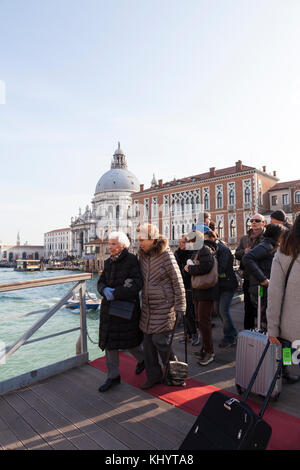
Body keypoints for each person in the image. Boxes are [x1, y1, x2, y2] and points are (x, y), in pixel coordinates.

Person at [137, 223, 186, 389]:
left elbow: (177, 281)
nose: (140, 243)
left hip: (165, 307)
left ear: (152, 239)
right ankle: (154, 376)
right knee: (148, 345)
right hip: (148, 308)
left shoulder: (166, 255)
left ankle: (175, 374)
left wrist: (181, 306)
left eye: (142, 239)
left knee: (161, 341)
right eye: (138, 240)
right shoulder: (142, 256)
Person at [97, 231, 144, 392]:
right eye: (109, 244)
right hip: (109, 309)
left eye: (113, 244)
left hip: (125, 309)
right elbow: (101, 281)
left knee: (130, 342)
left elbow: (137, 284)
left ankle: (143, 359)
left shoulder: (132, 260)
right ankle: (113, 376)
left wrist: (115, 293)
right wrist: (104, 290)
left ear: (122, 245)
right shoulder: (108, 262)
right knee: (110, 343)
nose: (109, 247)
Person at [266, 214, 300, 382]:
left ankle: (287, 369)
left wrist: (272, 327)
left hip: (290, 325)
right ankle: (288, 369)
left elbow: (274, 293)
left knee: (288, 347)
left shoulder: (284, 250)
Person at [184, 230, 218, 366]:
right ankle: (205, 349)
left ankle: (209, 352)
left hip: (205, 291)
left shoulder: (204, 250)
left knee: (204, 321)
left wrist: (190, 269)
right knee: (201, 321)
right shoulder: (198, 251)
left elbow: (206, 267)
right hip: (199, 290)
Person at [242, 224, 286, 328]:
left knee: (265, 320)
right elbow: (247, 258)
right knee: (263, 321)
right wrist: (263, 279)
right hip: (261, 289)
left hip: (264, 288)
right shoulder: (266, 246)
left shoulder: (270, 245)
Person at [205, 230, 238, 348]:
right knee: (218, 310)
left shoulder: (222, 249)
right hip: (219, 285)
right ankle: (230, 333)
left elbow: (221, 268)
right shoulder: (215, 249)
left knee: (223, 310)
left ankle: (230, 336)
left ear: (212, 238)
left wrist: (207, 273)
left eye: (205, 239)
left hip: (227, 284)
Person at [235, 213, 265, 329]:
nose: (253, 222)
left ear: (263, 223)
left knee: (262, 306)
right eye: (252, 220)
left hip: (260, 278)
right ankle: (248, 333)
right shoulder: (245, 238)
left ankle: (262, 331)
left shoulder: (266, 238)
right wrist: (244, 252)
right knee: (248, 306)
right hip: (247, 278)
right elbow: (237, 254)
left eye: (257, 220)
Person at [174, 235, 200, 346]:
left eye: (183, 242)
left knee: (189, 311)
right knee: (183, 312)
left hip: (190, 285)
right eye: (180, 242)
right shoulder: (177, 253)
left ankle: (194, 333)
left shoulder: (193, 254)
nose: (181, 245)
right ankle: (187, 334)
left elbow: (192, 270)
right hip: (180, 285)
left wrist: (185, 271)